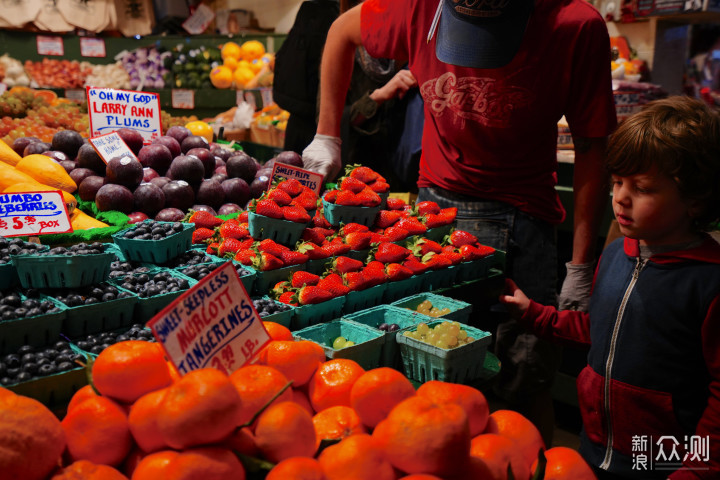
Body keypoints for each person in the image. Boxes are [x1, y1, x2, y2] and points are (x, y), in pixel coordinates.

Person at [302, 0, 618, 445]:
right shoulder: (419, 7)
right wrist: (326, 133)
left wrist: (581, 265)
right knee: (431, 373)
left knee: (523, 382)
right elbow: (341, 32)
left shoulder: (574, 26)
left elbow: (591, 146)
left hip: (523, 222)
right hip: (434, 214)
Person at [500, 96, 720, 479]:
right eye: (617, 182)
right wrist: (535, 316)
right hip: (597, 443)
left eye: (643, 187)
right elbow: (600, 329)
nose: (620, 197)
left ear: (696, 200)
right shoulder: (617, 252)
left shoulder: (709, 282)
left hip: (662, 460)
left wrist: (699, 468)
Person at [272, 0, 339, 153]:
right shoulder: (336, 17)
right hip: (320, 124)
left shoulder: (307, 11)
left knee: (292, 168)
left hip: (296, 118)